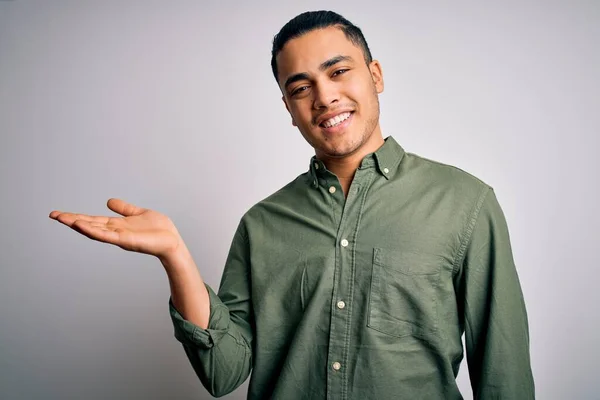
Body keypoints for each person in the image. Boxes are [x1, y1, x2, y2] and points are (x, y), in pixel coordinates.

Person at [49, 10, 535, 400]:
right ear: (288, 107)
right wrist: (175, 254)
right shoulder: (261, 224)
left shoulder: (465, 203)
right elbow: (224, 374)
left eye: (339, 71)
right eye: (300, 88)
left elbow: (503, 371)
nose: (324, 97)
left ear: (376, 75)